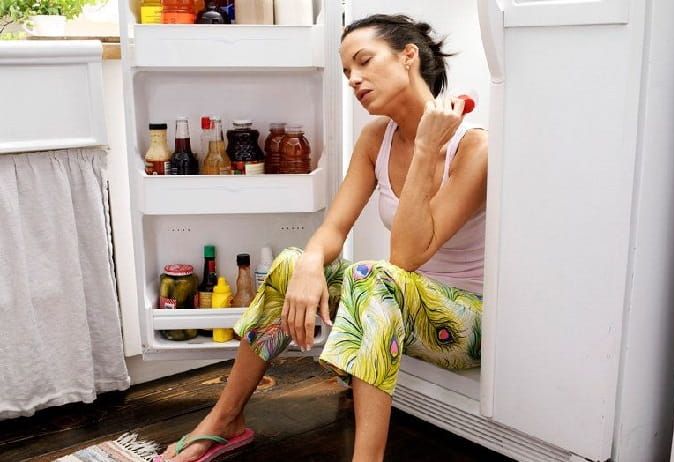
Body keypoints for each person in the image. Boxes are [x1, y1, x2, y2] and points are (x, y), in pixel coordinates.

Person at [158, 13, 487, 462]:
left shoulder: (473, 147)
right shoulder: (376, 138)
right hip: (399, 303)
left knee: (375, 276)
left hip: (465, 324)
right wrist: (310, 264)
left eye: (364, 61)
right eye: (347, 71)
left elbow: (406, 256)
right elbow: (333, 229)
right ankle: (225, 419)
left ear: (408, 56)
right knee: (292, 262)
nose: (354, 79)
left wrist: (428, 148)